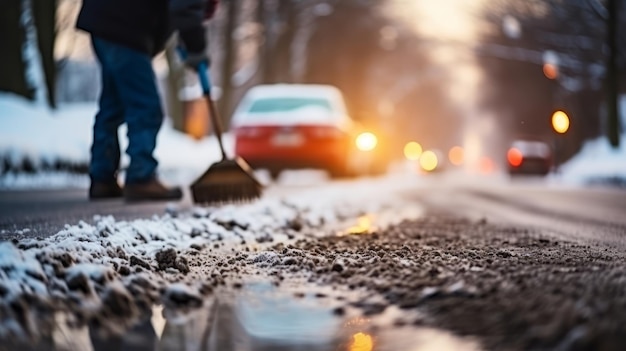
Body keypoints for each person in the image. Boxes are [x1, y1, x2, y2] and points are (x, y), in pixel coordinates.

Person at [76, 0, 217, 201]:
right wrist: (195, 44)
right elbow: (186, 7)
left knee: (112, 106)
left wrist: (188, 34)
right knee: (146, 107)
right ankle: (141, 178)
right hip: (124, 25)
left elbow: (183, 11)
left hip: (104, 22)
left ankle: (102, 178)